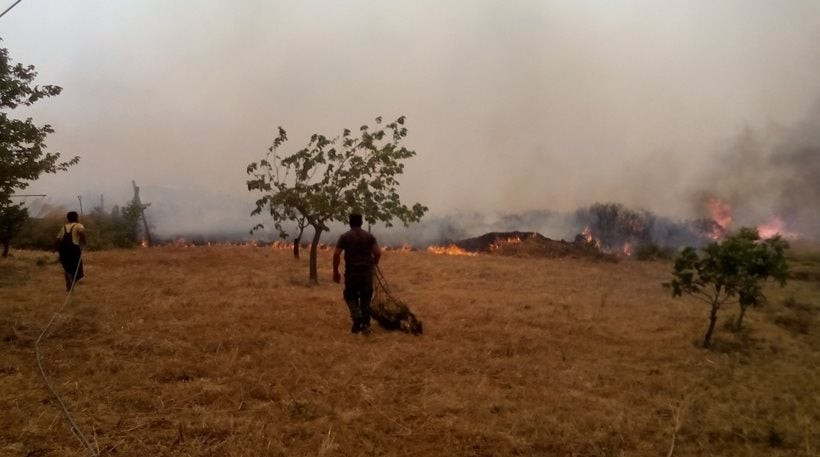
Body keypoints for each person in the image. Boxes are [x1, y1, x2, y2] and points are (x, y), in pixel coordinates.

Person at [333, 213, 381, 334]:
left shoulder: (345, 237)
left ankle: (357, 319)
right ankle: (365, 323)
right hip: (366, 272)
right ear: (361, 222)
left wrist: (335, 271)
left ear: (349, 222)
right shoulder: (369, 236)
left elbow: (336, 254)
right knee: (366, 297)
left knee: (350, 296)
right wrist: (374, 264)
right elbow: (378, 252)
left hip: (352, 272)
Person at [55, 211, 86, 292]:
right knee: (76, 268)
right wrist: (84, 242)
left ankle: (69, 287)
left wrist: (54, 249)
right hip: (74, 249)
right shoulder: (79, 225)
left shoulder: (64, 227)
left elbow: (58, 239)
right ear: (76, 217)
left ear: (68, 218)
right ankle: (72, 282)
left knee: (67, 268)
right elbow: (81, 232)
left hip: (63, 250)